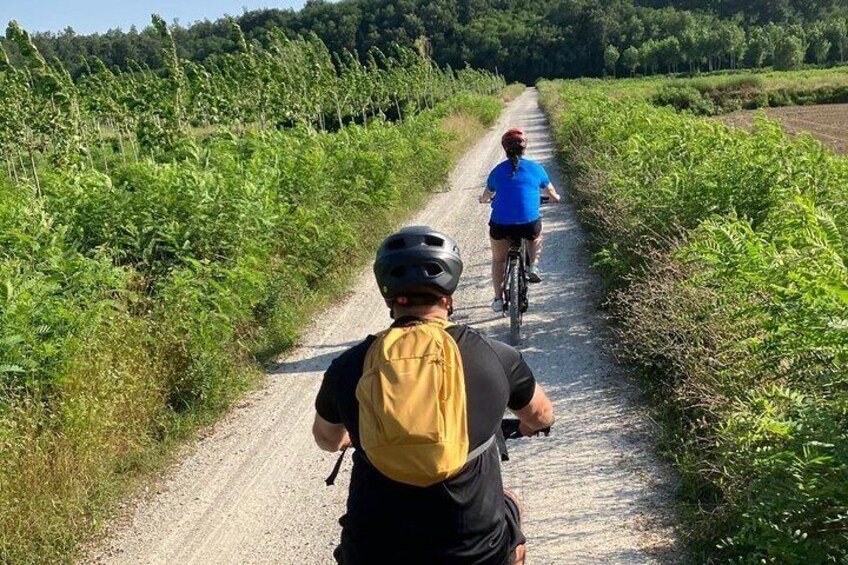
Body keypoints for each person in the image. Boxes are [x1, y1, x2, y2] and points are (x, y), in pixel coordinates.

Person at [313, 225, 555, 565]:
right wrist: (529, 426)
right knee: (512, 506)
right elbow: (542, 414)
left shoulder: (349, 366)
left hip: (372, 553)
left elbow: (326, 438)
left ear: (388, 297)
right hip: (475, 554)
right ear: (449, 293)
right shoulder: (496, 355)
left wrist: (355, 435)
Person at [479, 127, 561, 313]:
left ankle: (498, 299)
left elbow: (486, 195)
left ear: (505, 149)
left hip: (500, 225)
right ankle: (534, 265)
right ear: (524, 148)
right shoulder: (536, 169)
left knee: (499, 260)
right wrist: (555, 199)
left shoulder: (497, 171)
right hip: (528, 224)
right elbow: (552, 194)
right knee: (535, 233)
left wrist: (483, 200)